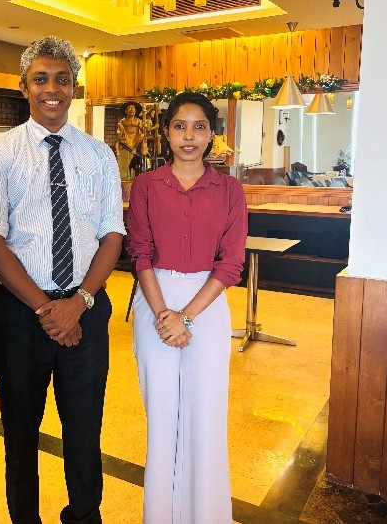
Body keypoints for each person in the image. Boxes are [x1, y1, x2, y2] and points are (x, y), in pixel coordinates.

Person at [0, 36, 125, 524]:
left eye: (62, 79)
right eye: (41, 79)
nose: (52, 89)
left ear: (74, 87)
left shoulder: (99, 155)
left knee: (85, 428)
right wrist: (47, 309)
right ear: (24, 87)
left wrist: (78, 303)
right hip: (21, 316)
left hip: (86, 311)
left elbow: (112, 235)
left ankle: (83, 516)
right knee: (20, 432)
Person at [125, 92, 247, 523]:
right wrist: (164, 315)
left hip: (207, 304)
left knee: (205, 414)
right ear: (166, 132)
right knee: (161, 414)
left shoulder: (229, 190)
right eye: (180, 126)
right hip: (154, 299)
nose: (189, 136)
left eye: (199, 127)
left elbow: (231, 263)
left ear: (212, 134)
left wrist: (186, 317)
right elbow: (139, 253)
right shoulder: (146, 185)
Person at [115, 101, 149, 179]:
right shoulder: (122, 121)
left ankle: (134, 149)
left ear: (136, 111)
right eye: (129, 108)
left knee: (142, 136)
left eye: (133, 108)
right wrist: (120, 134)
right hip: (126, 138)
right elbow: (119, 130)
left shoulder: (138, 120)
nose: (131, 110)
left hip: (136, 138)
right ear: (126, 111)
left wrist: (145, 124)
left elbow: (143, 129)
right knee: (118, 142)